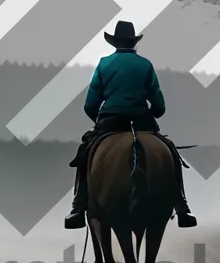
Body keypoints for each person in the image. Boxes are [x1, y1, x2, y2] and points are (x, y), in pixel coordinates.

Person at [64, 20, 197, 229]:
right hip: (142, 118)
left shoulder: (104, 64)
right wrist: (151, 114)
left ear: (114, 42)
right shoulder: (145, 65)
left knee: (85, 152)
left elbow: (90, 105)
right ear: (134, 42)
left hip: (110, 119)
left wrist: (99, 122)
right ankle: (182, 206)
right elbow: (159, 105)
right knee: (170, 151)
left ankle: (78, 207)